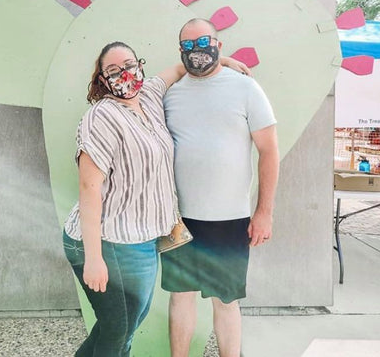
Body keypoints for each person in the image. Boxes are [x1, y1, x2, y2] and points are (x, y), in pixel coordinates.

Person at [62, 40, 249, 357]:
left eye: (130, 65)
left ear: (140, 66)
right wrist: (94, 259)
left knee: (120, 325)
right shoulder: (101, 117)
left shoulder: (148, 95)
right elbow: (89, 188)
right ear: (102, 79)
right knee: (119, 332)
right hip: (108, 242)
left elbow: (178, 68)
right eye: (114, 70)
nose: (125, 74)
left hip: (143, 240)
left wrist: (222, 61)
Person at [161, 18, 280, 357]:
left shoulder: (245, 88)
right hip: (178, 218)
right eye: (188, 46)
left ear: (218, 44)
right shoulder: (171, 93)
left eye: (204, 43)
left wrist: (264, 212)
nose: (197, 51)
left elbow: (269, 150)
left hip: (230, 218)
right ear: (180, 50)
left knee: (225, 301)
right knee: (180, 297)